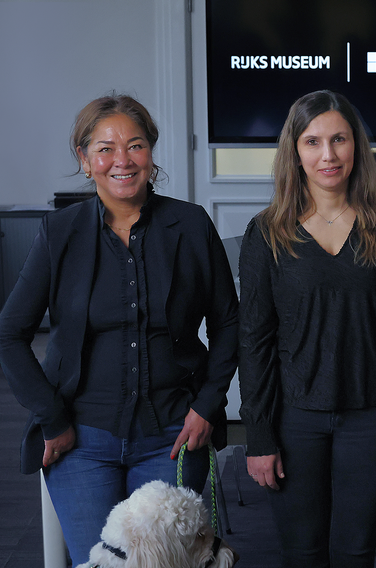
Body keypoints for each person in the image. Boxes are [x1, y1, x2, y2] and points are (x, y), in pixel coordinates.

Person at [0, 94, 239, 567]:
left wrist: (209, 404)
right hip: (82, 440)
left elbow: (229, 322)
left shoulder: (190, 225)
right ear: (85, 160)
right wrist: (52, 416)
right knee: (103, 563)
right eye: (105, 148)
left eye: (135, 145)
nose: (122, 160)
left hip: (174, 434)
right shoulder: (59, 233)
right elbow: (9, 332)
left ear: (151, 153)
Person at [237, 90, 376, 568]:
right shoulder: (266, 232)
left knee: (356, 553)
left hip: (373, 416)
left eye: (339, 140)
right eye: (313, 142)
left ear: (357, 147)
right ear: (295, 151)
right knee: (302, 554)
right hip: (294, 419)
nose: (328, 155)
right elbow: (254, 342)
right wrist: (259, 434)